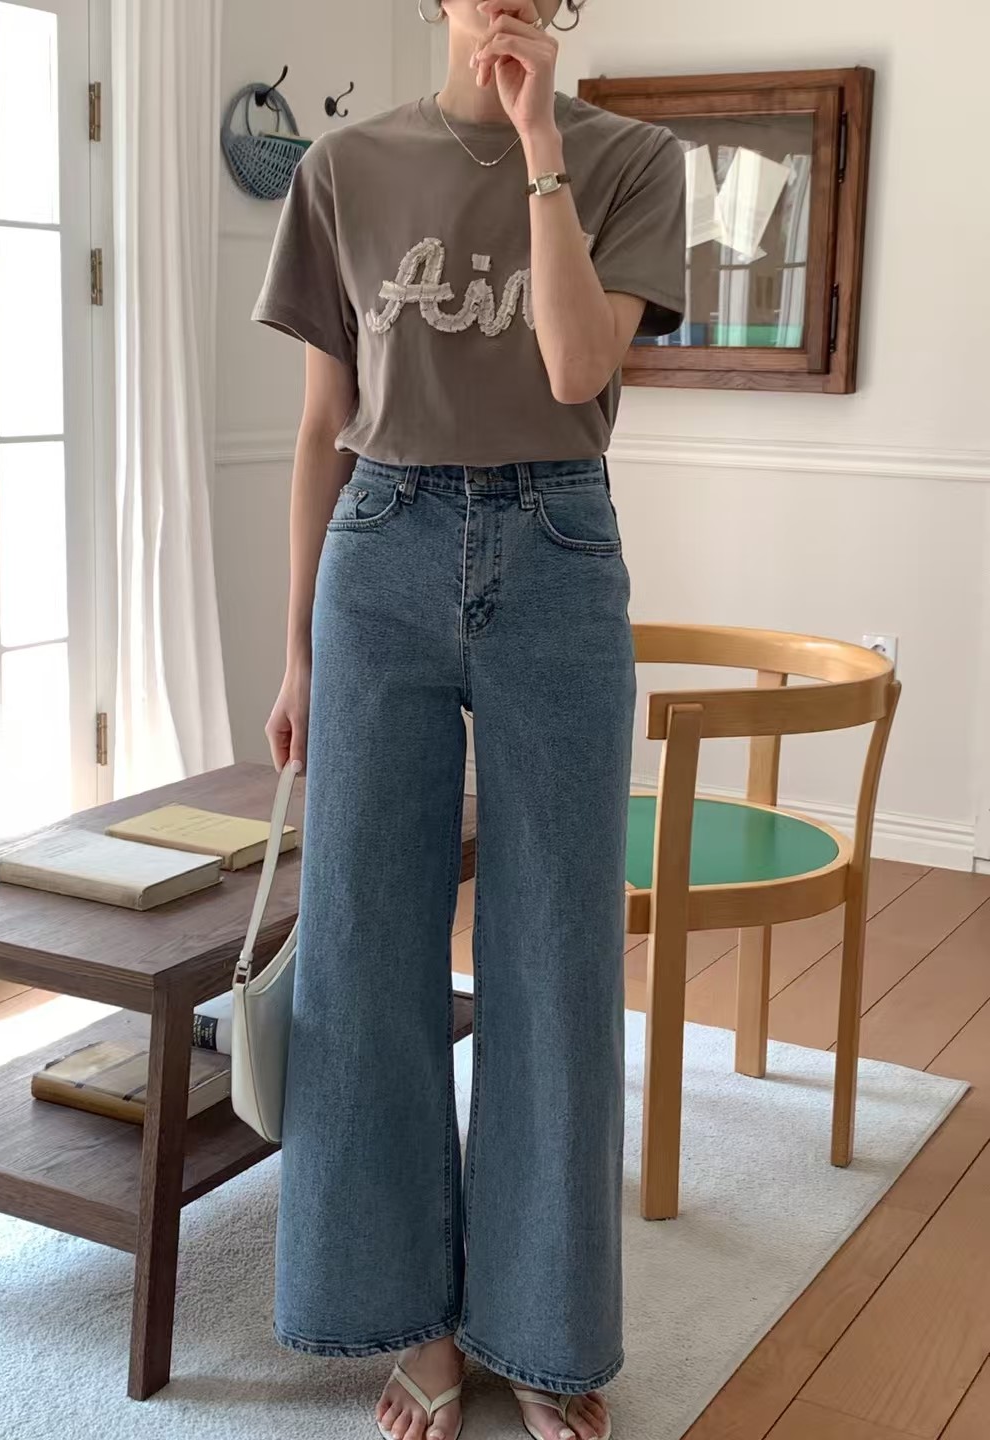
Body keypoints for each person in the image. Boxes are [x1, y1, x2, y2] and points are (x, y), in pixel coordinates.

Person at [252, 2, 686, 1437]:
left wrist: (540, 138)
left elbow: (574, 370)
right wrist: (298, 651)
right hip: (378, 553)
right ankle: (417, 1324)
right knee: (363, 946)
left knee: (555, 951)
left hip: (558, 550)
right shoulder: (344, 168)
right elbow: (321, 424)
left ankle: (546, 1329)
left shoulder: (632, 159)